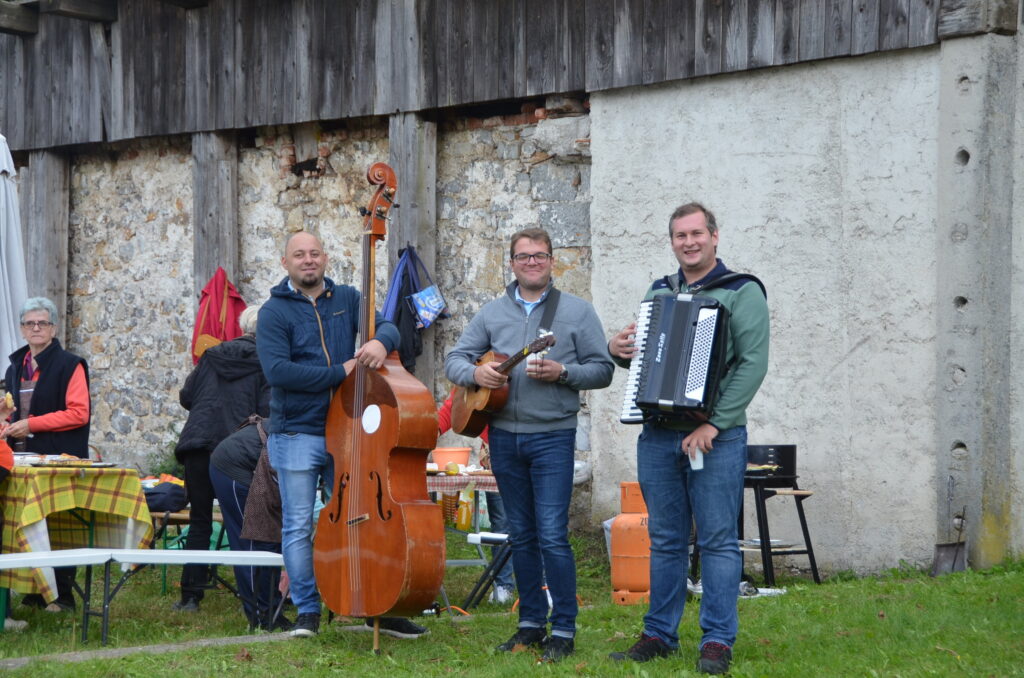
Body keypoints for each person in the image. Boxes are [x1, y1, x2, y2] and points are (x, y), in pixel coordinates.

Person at [607, 202, 769, 675]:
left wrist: (712, 424)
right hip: (658, 435)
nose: (689, 242)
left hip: (716, 438)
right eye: (680, 236)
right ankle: (659, 633)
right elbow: (644, 356)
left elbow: (751, 365)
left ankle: (717, 641)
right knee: (665, 538)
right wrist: (619, 350)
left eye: (697, 233)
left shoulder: (742, 291)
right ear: (673, 241)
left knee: (718, 541)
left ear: (715, 237)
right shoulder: (660, 291)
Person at [444, 227, 614, 662]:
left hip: (553, 438)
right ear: (513, 263)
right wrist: (475, 375)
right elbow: (455, 359)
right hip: (502, 437)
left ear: (552, 261)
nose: (532, 263)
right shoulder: (493, 313)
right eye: (523, 257)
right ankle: (530, 625)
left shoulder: (577, 312)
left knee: (553, 535)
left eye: (539, 256)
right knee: (520, 535)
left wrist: (563, 373)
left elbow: (602, 369)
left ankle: (565, 629)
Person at [257, 230, 427, 640]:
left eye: (315, 253)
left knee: (360, 520)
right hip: (297, 431)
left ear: (325, 258)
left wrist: (380, 344)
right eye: (299, 254)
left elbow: (390, 326)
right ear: (286, 263)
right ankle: (308, 613)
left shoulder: (349, 298)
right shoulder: (273, 312)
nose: (308, 260)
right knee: (299, 526)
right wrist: (341, 373)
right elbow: (278, 372)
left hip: (349, 432)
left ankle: (373, 605)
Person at [172, 304, 270, 612]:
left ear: (242, 327)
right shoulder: (268, 361)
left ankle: (190, 596)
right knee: (246, 522)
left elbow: (187, 396)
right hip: (237, 450)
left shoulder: (212, 356)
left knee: (200, 520)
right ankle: (252, 597)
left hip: (199, 444)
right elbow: (267, 410)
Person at [4, 297, 91, 612]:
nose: (36, 327)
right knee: (25, 524)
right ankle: (34, 590)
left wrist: (30, 424)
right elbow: (12, 413)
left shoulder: (71, 364)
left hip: (60, 458)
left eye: (42, 322)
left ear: (54, 328)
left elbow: (79, 413)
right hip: (22, 460)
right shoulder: (15, 367)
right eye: (30, 323)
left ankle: (62, 595)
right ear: (22, 329)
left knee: (59, 525)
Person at [209, 416, 290, 631]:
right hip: (233, 467)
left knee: (269, 542)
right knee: (254, 542)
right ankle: (261, 617)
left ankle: (271, 611)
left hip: (250, 463)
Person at [436, 389, 515, 604]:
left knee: (538, 519)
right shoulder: (475, 362)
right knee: (501, 522)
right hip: (495, 449)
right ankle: (503, 585)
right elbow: (454, 404)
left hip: (529, 442)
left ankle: (544, 584)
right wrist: (430, 431)